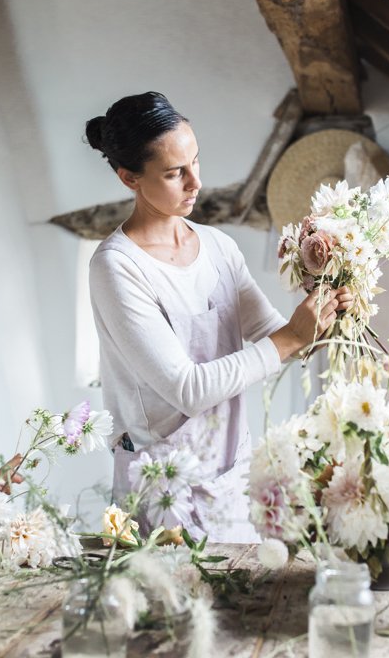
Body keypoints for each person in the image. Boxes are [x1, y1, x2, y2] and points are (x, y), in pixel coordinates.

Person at [86, 92, 351, 542]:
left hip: (229, 475)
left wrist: (327, 314)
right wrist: (290, 338)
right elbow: (188, 389)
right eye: (174, 173)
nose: (196, 183)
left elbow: (274, 334)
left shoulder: (218, 248)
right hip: (162, 484)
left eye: (196, 163)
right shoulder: (117, 268)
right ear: (128, 176)